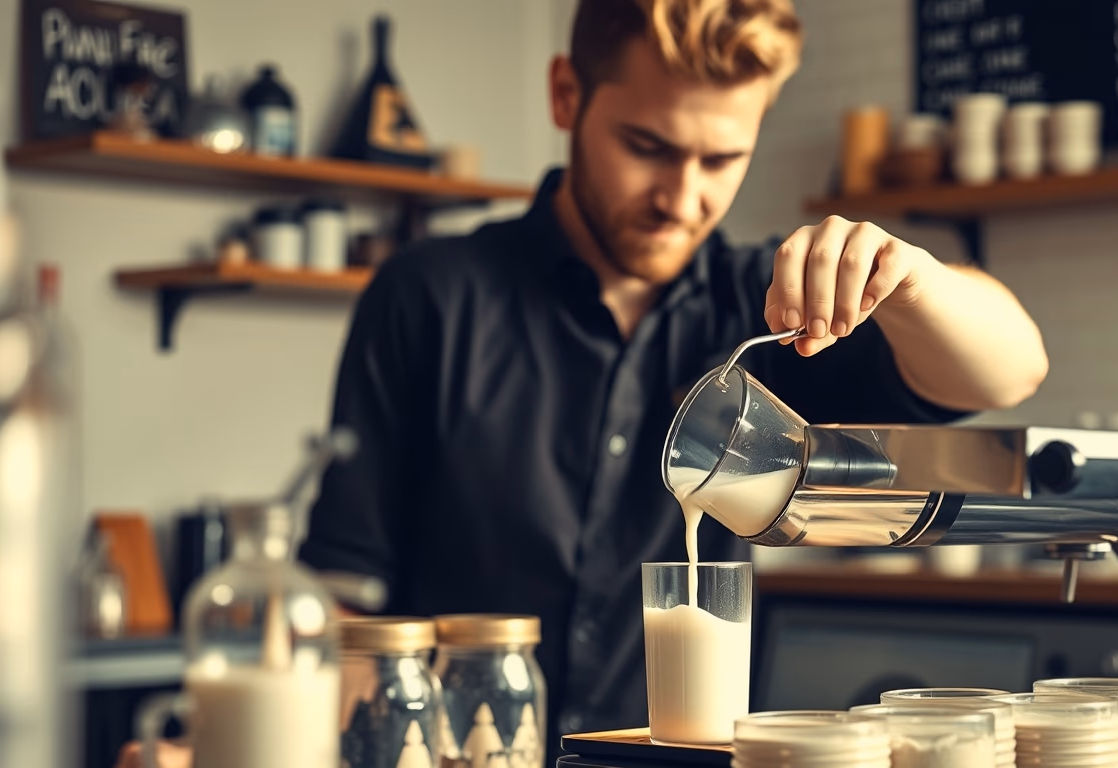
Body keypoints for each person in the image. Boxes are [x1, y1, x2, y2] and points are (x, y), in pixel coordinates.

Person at [116, 0, 1047, 765]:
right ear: (567, 95)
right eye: (648, 145)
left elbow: (1009, 367)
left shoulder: (769, 314)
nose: (683, 196)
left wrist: (910, 275)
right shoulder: (430, 297)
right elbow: (352, 595)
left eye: (722, 159)